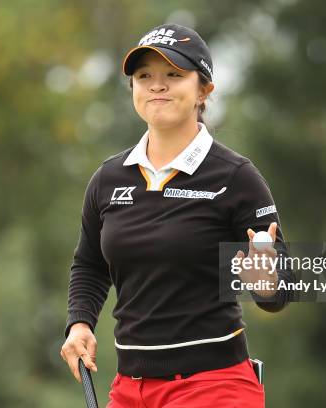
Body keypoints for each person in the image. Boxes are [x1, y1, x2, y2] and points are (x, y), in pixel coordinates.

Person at [61, 23, 294, 407]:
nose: (157, 85)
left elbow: (280, 291)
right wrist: (80, 322)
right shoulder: (108, 179)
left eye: (173, 75)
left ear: (204, 90)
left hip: (213, 387)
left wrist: (265, 280)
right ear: (133, 89)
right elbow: (89, 264)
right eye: (144, 76)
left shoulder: (235, 177)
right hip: (130, 390)